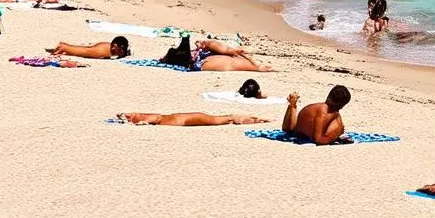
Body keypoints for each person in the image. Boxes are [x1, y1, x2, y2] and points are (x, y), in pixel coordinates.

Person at [160, 36, 275, 72]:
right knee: (231, 62)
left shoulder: (204, 51)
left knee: (210, 44)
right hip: (194, 62)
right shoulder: (205, 62)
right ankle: (257, 66)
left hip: (191, 58)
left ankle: (234, 52)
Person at [282, 86, 352, 144]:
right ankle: (292, 105)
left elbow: (288, 129)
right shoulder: (325, 113)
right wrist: (336, 134)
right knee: (337, 121)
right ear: (341, 105)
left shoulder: (317, 107)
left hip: (294, 130)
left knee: (290, 129)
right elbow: (318, 140)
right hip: (299, 134)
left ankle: (292, 105)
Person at [115, 112, 270, 127]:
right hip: (186, 119)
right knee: (223, 119)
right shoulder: (141, 115)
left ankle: (257, 120)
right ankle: (257, 119)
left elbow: (156, 118)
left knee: (223, 120)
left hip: (187, 120)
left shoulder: (143, 116)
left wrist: (144, 122)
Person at [48, 36, 131, 60]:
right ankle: (64, 47)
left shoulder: (114, 47)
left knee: (85, 50)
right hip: (101, 49)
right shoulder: (107, 50)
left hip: (104, 46)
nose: (122, 52)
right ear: (116, 47)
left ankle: (65, 47)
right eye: (121, 50)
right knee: (85, 52)